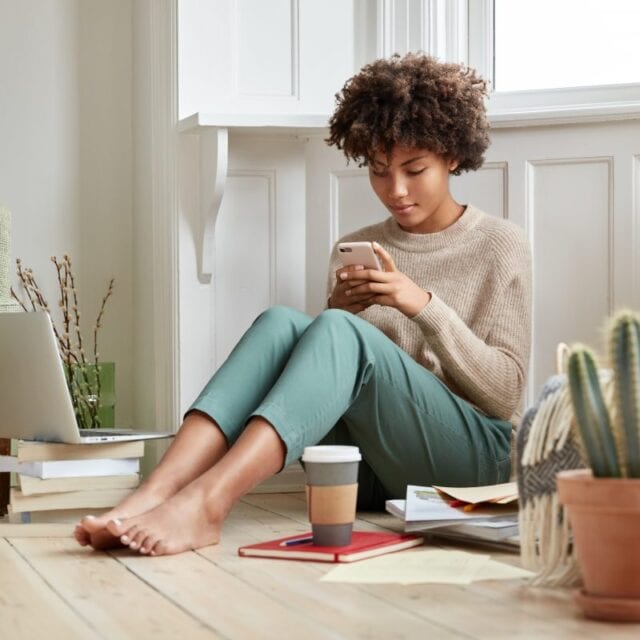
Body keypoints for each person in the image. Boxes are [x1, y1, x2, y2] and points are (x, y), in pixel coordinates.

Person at [75, 53, 531, 556]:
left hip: (471, 464)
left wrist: (422, 305)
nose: (395, 190)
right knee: (280, 325)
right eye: (379, 172)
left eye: (414, 169)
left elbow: (505, 395)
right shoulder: (359, 243)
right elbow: (330, 386)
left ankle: (208, 501)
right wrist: (340, 313)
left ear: (451, 155)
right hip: (373, 470)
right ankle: (153, 493)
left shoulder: (499, 244)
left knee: (336, 330)